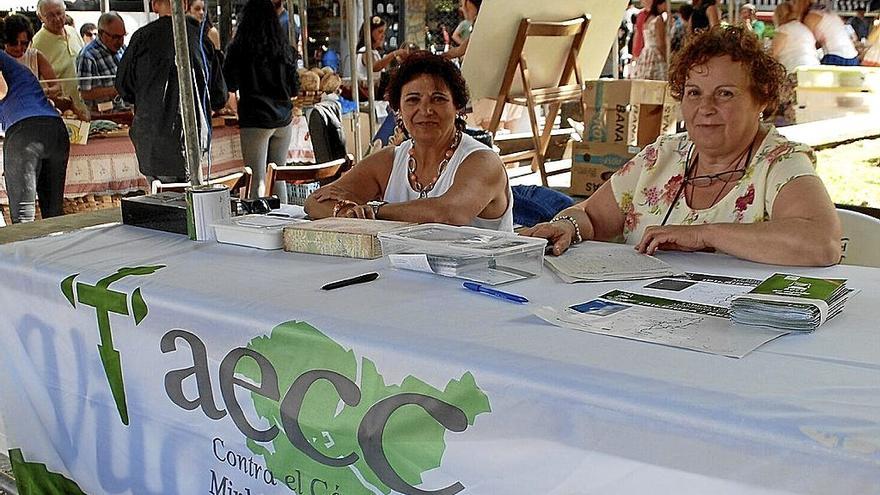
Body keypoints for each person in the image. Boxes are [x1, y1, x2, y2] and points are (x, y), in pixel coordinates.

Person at [523, 26, 841, 267]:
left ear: (762, 99)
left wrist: (704, 233)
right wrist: (566, 226)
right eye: (693, 93)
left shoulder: (779, 161)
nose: (706, 107)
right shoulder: (661, 157)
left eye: (725, 93)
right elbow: (589, 216)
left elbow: (821, 243)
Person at [305, 51, 513, 232]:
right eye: (413, 99)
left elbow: (449, 214)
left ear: (458, 106)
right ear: (398, 110)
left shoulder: (483, 161)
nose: (425, 110)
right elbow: (315, 202)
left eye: (438, 99)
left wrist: (374, 212)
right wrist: (346, 212)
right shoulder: (389, 161)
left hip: (484, 275)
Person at [115, 0, 227, 184]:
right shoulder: (201, 41)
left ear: (154, 5)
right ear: (184, 4)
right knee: (191, 200)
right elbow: (219, 96)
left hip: (153, 139)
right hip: (194, 139)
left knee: (163, 203)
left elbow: (124, 86)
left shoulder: (142, 38)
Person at [223, 0, 299, 199]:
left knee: (256, 180)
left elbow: (229, 84)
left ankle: (256, 225)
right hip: (284, 120)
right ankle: (284, 219)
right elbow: (294, 88)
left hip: (255, 119)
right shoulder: (284, 48)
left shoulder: (239, 48)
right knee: (277, 177)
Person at [0, 50, 69, 223]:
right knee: (54, 217)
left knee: (23, 220)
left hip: (25, 134)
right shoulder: (13, 65)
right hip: (55, 129)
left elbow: (1, 90)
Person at [31, 0, 88, 118]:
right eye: (50, 15)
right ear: (40, 17)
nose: (57, 19)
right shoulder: (37, 44)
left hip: (85, 108)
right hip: (62, 112)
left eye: (59, 13)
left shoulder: (73, 32)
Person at [76, 12, 126, 112]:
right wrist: (115, 90)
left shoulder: (122, 48)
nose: (120, 41)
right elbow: (85, 94)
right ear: (101, 33)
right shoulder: (87, 56)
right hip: (102, 115)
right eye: (115, 37)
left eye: (123, 36)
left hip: (124, 110)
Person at [2, 14, 60, 96]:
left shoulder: (36, 56)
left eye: (24, 43)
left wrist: (42, 91)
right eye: (13, 43)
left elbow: (56, 86)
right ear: (5, 41)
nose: (19, 48)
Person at [772, 2, 820, 73]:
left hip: (795, 67)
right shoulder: (805, 29)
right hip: (814, 66)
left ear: (778, 16)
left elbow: (773, 53)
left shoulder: (784, 29)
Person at [632, 0, 667, 81]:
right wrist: (666, 57)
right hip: (655, 53)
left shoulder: (647, 19)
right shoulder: (658, 19)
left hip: (645, 52)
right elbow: (660, 42)